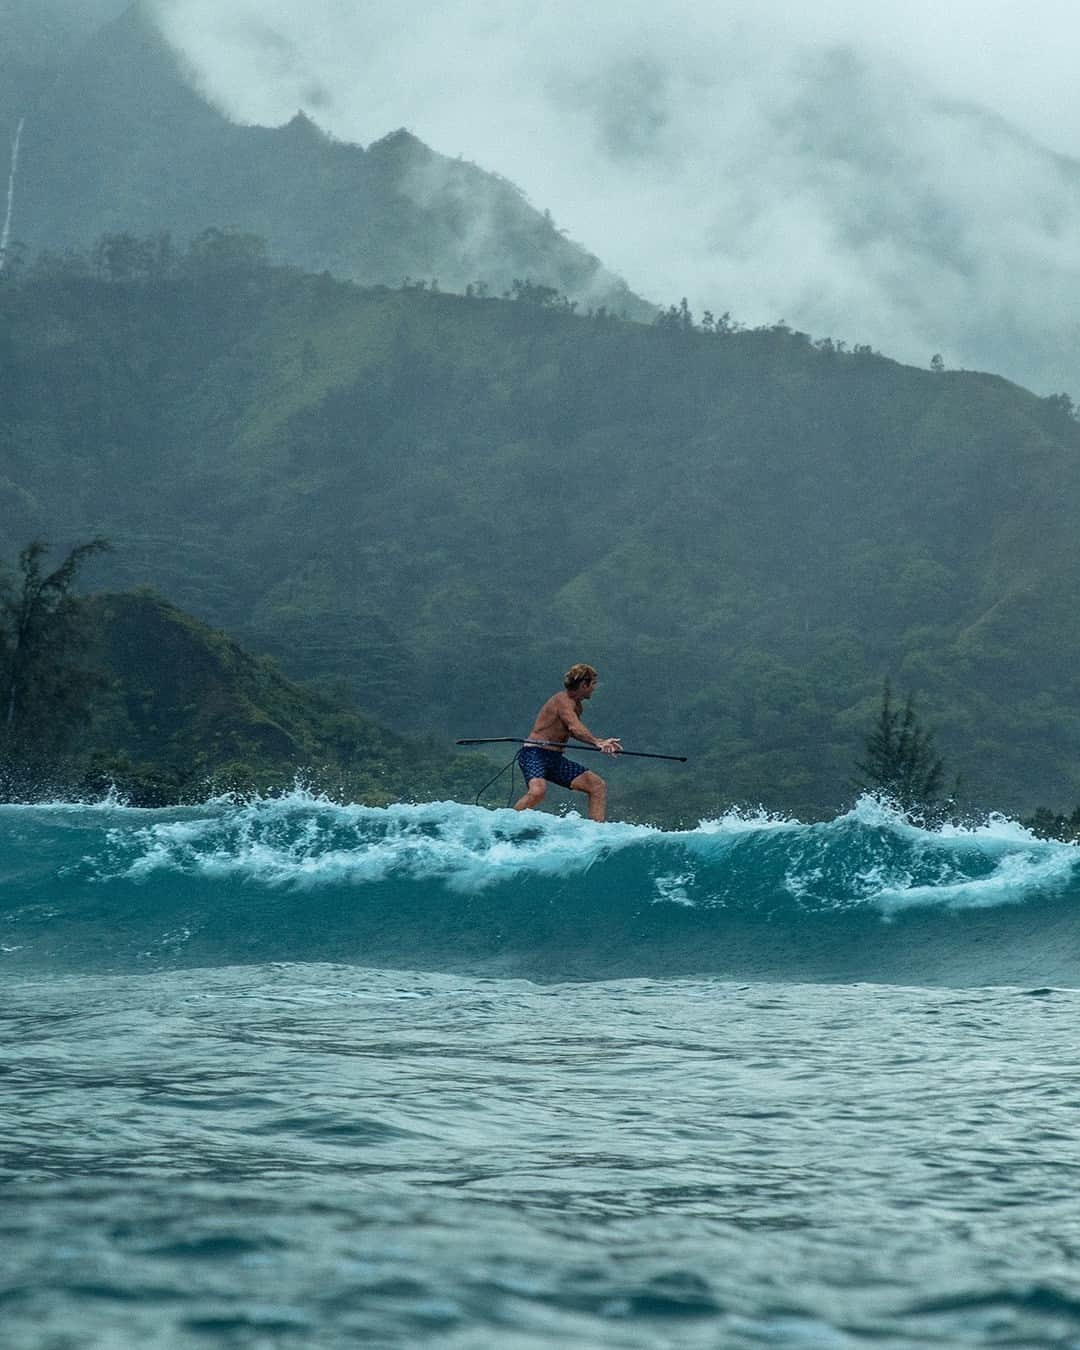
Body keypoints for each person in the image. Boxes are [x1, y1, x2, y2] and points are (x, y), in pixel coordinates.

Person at [513, 663, 621, 821]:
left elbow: (571, 731)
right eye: (593, 684)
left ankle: (597, 832)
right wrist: (597, 743)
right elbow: (574, 727)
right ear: (584, 684)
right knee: (537, 791)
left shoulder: (577, 706)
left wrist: (599, 741)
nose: (594, 688)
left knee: (596, 785)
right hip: (534, 753)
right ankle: (506, 823)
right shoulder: (562, 700)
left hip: (554, 759)